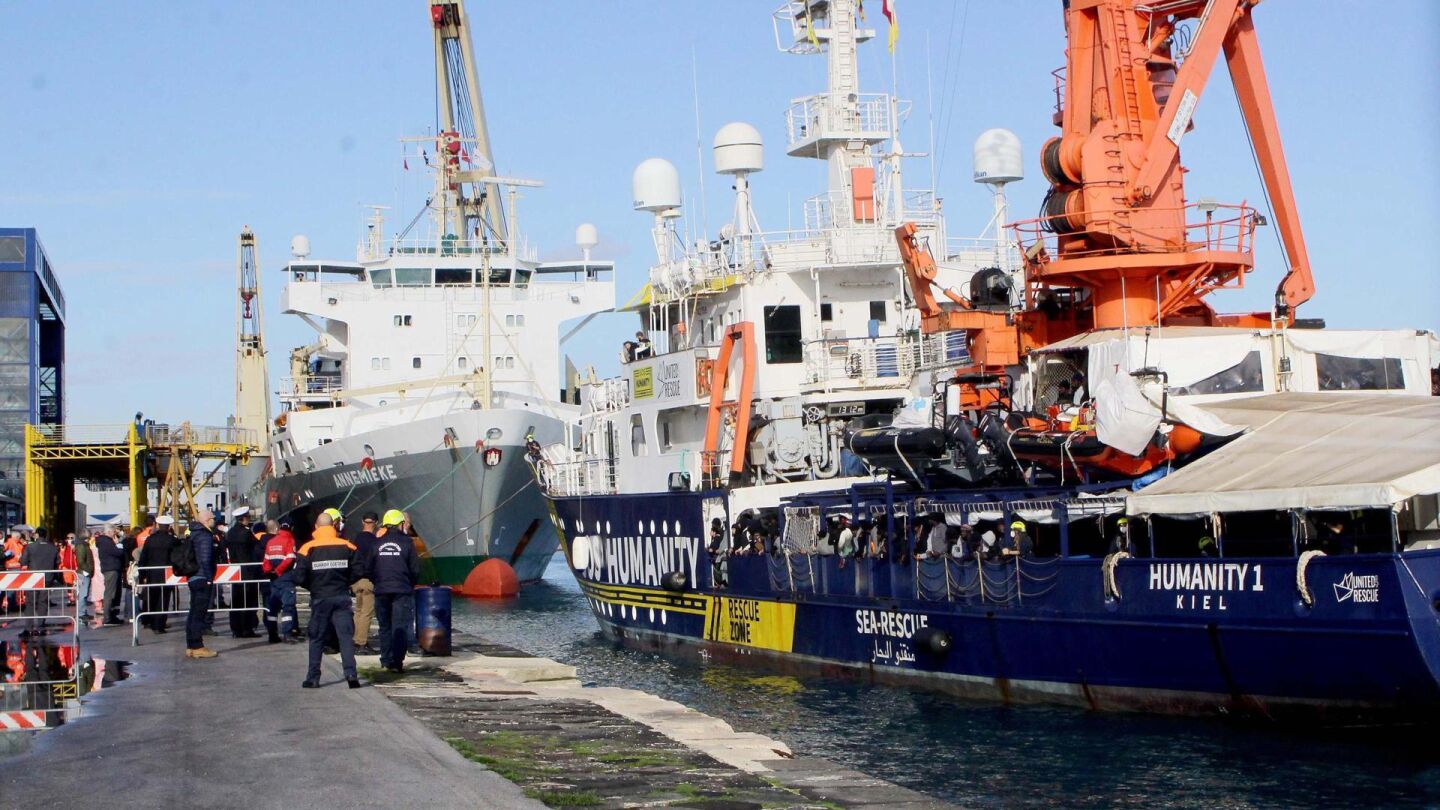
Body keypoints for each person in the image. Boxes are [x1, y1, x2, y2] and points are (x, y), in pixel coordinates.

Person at [294, 512, 361, 689]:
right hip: (341, 596)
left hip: (320, 598)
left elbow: (299, 577)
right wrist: (345, 582)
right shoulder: (347, 546)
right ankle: (351, 674)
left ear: (316, 527)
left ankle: (313, 678)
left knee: (317, 638)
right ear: (333, 526)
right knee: (345, 637)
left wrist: (314, 586)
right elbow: (359, 570)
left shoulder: (307, 548)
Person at [367, 510, 420, 674]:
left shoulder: (376, 543)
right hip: (401, 590)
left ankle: (385, 660)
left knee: (384, 627)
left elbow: (368, 568)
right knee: (399, 627)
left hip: (381, 590)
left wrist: (377, 582)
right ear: (401, 524)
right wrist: (409, 584)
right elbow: (415, 569)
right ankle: (397, 662)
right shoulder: (407, 543)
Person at [184, 511, 220, 659]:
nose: (214, 521)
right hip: (202, 577)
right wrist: (209, 578)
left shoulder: (194, 534)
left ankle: (191, 646)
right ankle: (198, 646)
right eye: (213, 518)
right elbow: (205, 558)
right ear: (206, 520)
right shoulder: (205, 535)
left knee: (193, 612)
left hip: (193, 576)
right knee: (199, 613)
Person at [225, 507, 262, 638]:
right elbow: (257, 548)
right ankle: (247, 628)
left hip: (235, 571)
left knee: (236, 601)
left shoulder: (230, 533)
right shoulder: (246, 533)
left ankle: (236, 628)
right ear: (244, 518)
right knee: (249, 601)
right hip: (248, 571)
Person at [136, 516, 177, 633]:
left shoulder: (150, 540)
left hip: (152, 573)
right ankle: (159, 625)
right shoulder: (172, 540)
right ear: (168, 527)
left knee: (152, 598)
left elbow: (143, 557)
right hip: (167, 574)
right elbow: (176, 557)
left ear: (158, 525)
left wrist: (142, 575)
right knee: (164, 599)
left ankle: (150, 621)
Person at [262, 520, 300, 643]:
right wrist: (279, 570)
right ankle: (287, 633)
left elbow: (266, 561)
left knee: (273, 608)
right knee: (288, 607)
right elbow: (290, 558)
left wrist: (270, 571)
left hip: (274, 580)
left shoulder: (271, 542)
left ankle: (272, 634)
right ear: (291, 529)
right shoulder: (290, 540)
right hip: (286, 578)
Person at [350, 511, 380, 654]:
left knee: (358, 610)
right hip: (368, 580)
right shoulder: (375, 542)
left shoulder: (355, 539)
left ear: (362, 522)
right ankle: (361, 643)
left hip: (356, 580)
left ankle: (355, 639)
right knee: (367, 612)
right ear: (376, 523)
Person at [19, 530, 61, 623]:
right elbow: (58, 562)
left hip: (33, 577)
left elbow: (23, 561)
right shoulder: (53, 547)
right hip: (47, 577)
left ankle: (29, 626)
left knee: (30, 602)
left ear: (37, 535)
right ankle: (41, 624)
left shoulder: (30, 547)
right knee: (43, 601)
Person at [95, 526, 127, 625]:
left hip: (112, 568)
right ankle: (108, 618)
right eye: (113, 532)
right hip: (111, 569)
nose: (114, 534)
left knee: (115, 593)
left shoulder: (105, 541)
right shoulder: (106, 542)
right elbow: (118, 552)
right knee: (110, 593)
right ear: (108, 532)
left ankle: (113, 615)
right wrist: (119, 544)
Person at [72, 530, 94, 621]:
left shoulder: (84, 545)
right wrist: (88, 570)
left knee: (84, 593)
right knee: (83, 594)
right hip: (83, 572)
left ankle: (83, 612)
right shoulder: (81, 546)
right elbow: (80, 561)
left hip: (85, 572)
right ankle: (81, 613)